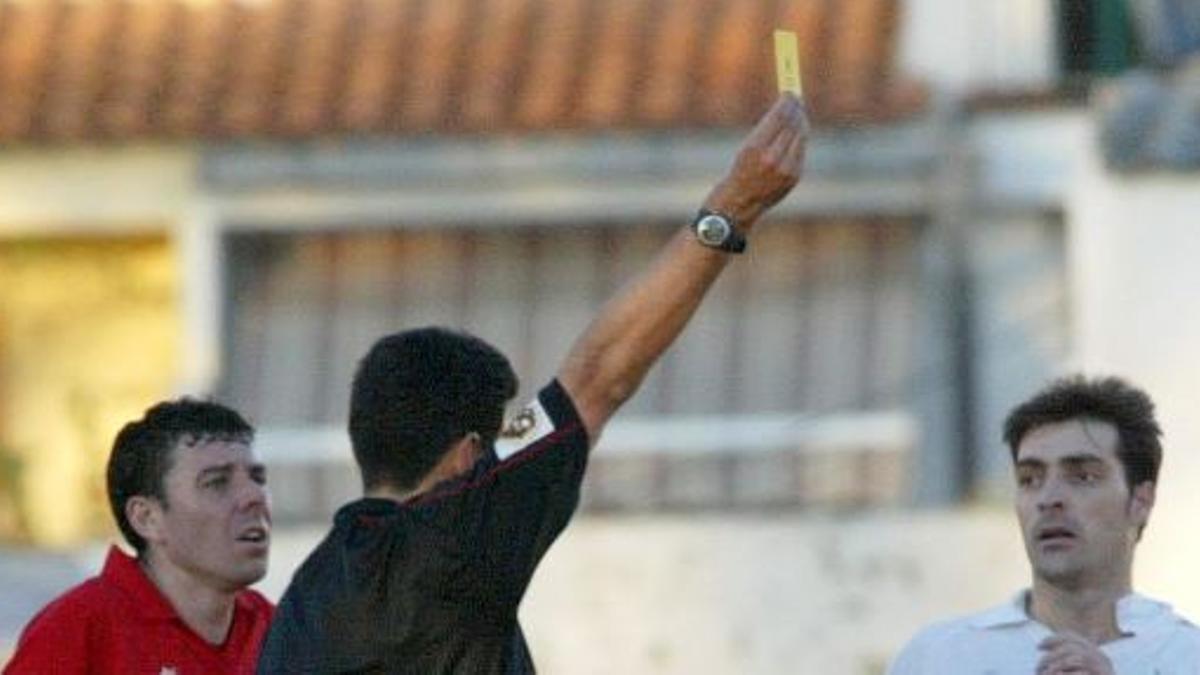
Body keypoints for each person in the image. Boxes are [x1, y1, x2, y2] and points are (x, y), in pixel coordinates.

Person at [257, 93, 810, 674]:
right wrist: (733, 209)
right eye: (495, 445)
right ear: (468, 457)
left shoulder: (304, 598)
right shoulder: (451, 540)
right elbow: (597, 379)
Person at [887, 376, 1200, 674]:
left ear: (1140, 502)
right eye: (1030, 480)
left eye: (1083, 477)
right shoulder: (939, 658)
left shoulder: (1187, 656)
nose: (1048, 499)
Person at [4, 399, 274, 674]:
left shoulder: (283, 630)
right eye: (216, 482)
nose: (254, 497)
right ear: (146, 518)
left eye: (258, 479)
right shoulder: (77, 631)